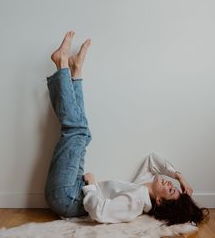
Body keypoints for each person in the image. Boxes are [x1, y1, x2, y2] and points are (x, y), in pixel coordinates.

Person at [44, 31, 209, 226]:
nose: (170, 184)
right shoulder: (142, 187)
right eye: (174, 186)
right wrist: (179, 176)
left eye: (171, 190)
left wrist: (92, 186)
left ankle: (62, 63)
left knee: (77, 131)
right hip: (71, 191)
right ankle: (75, 70)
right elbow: (152, 159)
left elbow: (101, 213)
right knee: (84, 134)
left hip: (66, 198)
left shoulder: (137, 202)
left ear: (159, 200)